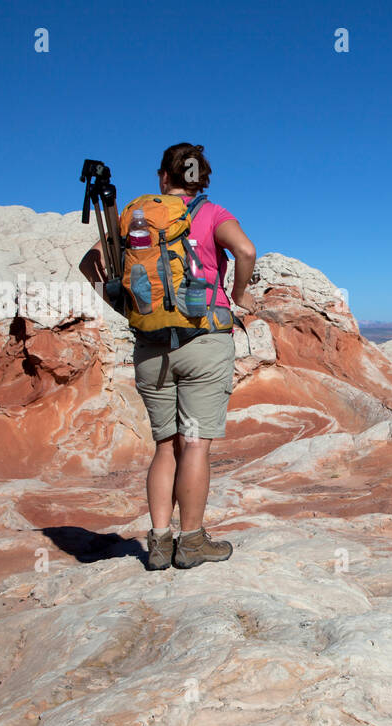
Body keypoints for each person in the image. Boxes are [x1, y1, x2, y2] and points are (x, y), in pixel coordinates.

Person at [80, 143, 258, 571]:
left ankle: (158, 543)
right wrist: (237, 294)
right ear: (204, 179)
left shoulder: (139, 220)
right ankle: (192, 542)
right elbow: (247, 251)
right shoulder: (213, 214)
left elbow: (91, 266)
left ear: (163, 176)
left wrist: (129, 309)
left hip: (150, 348)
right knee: (194, 443)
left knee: (165, 446)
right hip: (202, 343)